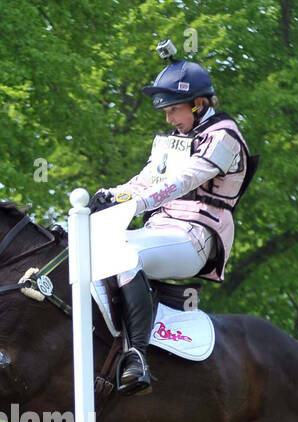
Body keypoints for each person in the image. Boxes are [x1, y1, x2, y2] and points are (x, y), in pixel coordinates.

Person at [90, 39, 253, 395]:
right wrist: (113, 194)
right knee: (91, 247)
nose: (168, 119)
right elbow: (146, 179)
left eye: (173, 110)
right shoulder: (171, 140)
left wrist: (134, 205)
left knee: (123, 254)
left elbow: (183, 181)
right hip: (159, 230)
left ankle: (138, 356)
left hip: (197, 235)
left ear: (198, 104)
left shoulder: (224, 136)